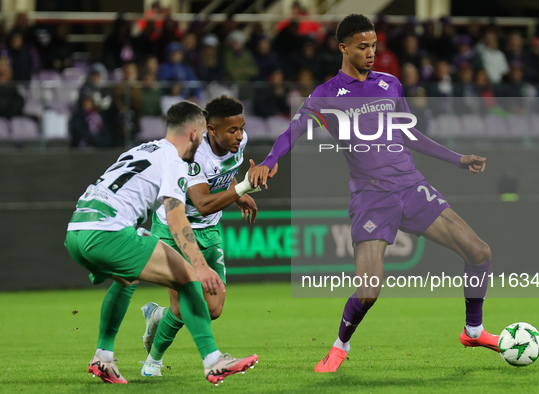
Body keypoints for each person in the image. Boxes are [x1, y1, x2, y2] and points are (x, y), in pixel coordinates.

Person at [248, 14, 496, 373]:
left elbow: (409, 133)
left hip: (411, 187)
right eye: (363, 46)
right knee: (368, 289)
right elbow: (294, 129)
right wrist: (271, 161)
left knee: (479, 252)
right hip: (372, 197)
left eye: (374, 46)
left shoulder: (390, 84)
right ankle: (339, 345)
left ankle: (473, 329)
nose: (371, 53)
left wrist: (456, 159)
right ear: (343, 47)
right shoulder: (327, 94)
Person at [64, 100, 259, 385]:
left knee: (126, 280)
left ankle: (103, 357)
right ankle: (213, 361)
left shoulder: (141, 150)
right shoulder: (176, 162)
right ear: (194, 132)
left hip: (77, 230)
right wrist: (201, 267)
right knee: (187, 277)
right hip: (108, 232)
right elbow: (177, 218)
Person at [136, 95, 260, 377]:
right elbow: (202, 203)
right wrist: (241, 189)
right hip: (175, 230)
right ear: (211, 130)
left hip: (210, 229)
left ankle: (156, 316)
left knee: (213, 309)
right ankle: (152, 363)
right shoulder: (193, 154)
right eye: (232, 130)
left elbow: (224, 173)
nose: (239, 135)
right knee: (182, 306)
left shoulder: (238, 141)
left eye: (241, 128)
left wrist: (235, 194)